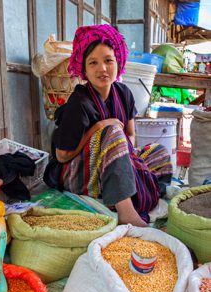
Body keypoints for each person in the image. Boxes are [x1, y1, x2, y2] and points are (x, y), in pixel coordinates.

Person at [44, 24, 173, 227]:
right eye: (93, 63)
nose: (102, 69)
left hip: (111, 164)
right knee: (112, 131)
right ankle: (126, 213)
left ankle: (126, 189)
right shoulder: (78, 103)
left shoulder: (124, 93)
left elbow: (130, 135)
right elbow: (62, 156)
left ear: (118, 62)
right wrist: (100, 127)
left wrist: (122, 157)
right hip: (77, 172)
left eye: (108, 61)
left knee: (159, 153)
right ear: (84, 69)